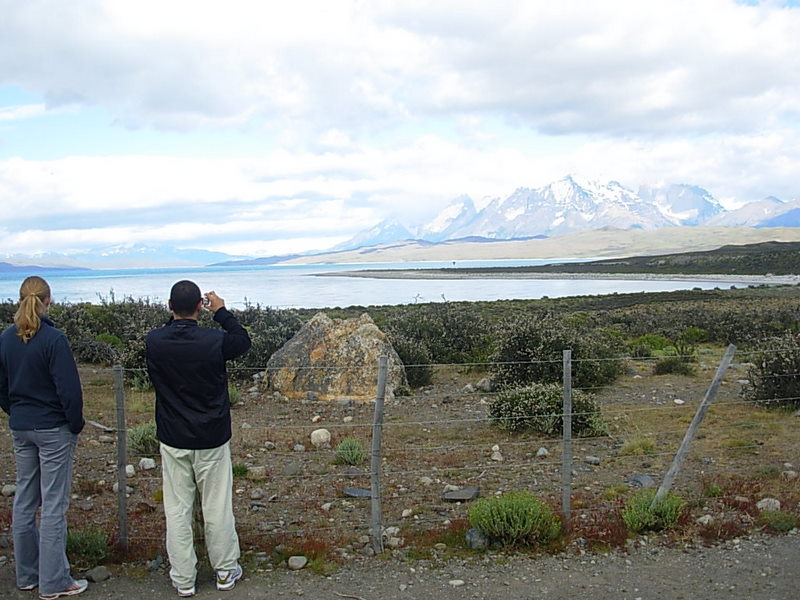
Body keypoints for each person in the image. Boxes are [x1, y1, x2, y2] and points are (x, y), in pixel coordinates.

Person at [145, 281, 251, 597]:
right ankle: (225, 572)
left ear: (168, 306)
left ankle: (183, 580)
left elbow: (168, 330)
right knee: (217, 506)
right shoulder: (214, 341)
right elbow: (242, 341)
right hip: (212, 435)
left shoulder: (155, 341)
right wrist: (221, 311)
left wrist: (178, 314)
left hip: (173, 436)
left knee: (177, 509)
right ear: (200, 307)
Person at [0, 276, 87, 600]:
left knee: (24, 499)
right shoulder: (54, 339)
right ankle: (54, 582)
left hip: (21, 427)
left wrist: (16, 412)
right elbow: (69, 391)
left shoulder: (7, 338)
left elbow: (2, 386)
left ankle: (27, 574)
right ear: (49, 300)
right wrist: (74, 424)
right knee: (53, 505)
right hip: (52, 430)